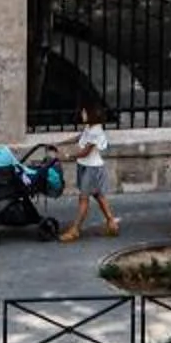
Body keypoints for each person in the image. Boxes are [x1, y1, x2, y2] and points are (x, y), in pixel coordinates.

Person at [60, 102, 119, 240]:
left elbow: (86, 152)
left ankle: (75, 229)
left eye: (85, 112)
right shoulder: (89, 127)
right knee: (98, 195)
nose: (82, 114)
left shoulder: (96, 132)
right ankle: (112, 223)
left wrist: (68, 156)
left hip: (92, 168)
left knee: (83, 198)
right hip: (86, 166)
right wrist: (61, 143)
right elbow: (79, 137)